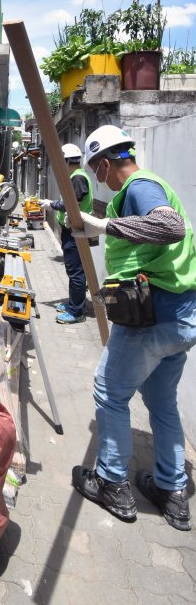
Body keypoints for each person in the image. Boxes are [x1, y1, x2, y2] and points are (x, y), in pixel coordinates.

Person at [67, 124, 196, 531]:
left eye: (95, 170)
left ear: (104, 164)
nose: (95, 179)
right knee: (161, 404)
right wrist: (94, 219)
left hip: (150, 316)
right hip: (181, 318)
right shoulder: (138, 191)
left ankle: (111, 482)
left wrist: (102, 228)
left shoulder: (141, 186)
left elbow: (169, 226)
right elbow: (128, 219)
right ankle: (173, 492)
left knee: (109, 392)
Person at [40, 143, 93, 324]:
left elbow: (72, 204)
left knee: (76, 272)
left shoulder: (78, 178)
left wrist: (51, 204)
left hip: (75, 232)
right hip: (71, 230)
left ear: (68, 161)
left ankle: (76, 311)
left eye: (62, 162)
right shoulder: (75, 177)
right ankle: (75, 303)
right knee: (74, 271)